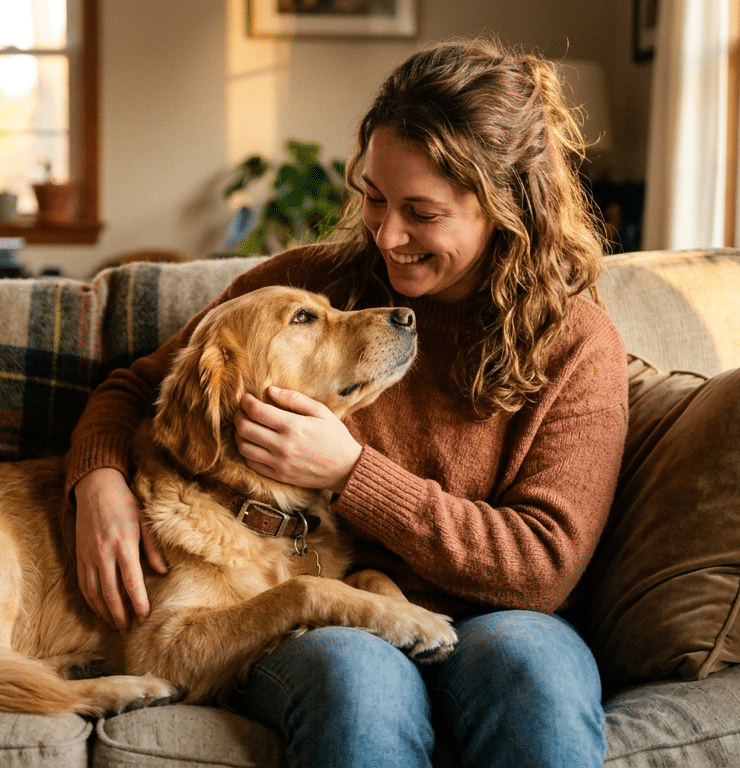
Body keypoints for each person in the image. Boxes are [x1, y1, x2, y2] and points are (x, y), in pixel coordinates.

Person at [64, 37, 627, 768]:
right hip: (327, 599)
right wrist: (97, 480)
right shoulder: (307, 285)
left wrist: (351, 474)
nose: (387, 236)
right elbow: (141, 388)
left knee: (537, 678)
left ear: (506, 205)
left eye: (421, 213)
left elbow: (543, 563)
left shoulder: (576, 344)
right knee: (357, 680)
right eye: (373, 196)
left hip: (502, 619)